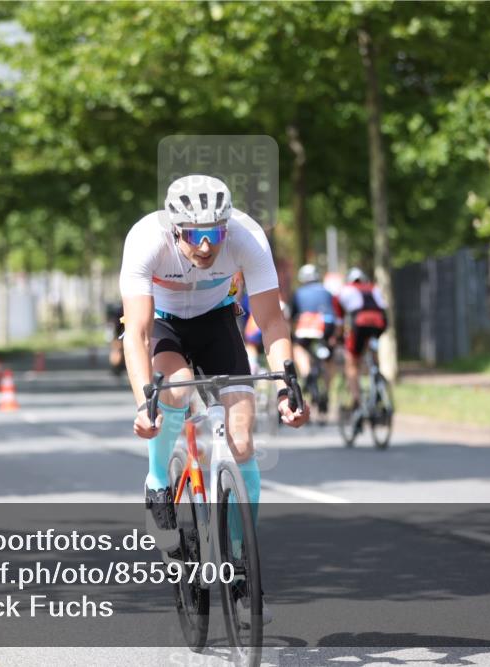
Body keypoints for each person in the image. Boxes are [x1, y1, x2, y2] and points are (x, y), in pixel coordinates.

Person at [120, 174, 309, 621]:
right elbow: (138, 332)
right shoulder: (146, 238)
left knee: (242, 439)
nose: (206, 246)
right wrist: (143, 403)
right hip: (163, 325)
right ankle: (158, 485)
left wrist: (288, 385)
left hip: (218, 321)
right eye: (195, 235)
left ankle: (241, 562)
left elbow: (271, 322)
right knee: (178, 393)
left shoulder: (247, 236)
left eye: (215, 234)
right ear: (174, 229)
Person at [289, 263, 341, 414]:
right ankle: (326, 390)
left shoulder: (298, 293)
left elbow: (292, 316)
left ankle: (307, 374)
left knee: (299, 348)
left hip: (307, 326)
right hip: (327, 325)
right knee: (329, 360)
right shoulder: (327, 292)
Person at [337, 267, 388, 410]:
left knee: (352, 362)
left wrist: (339, 337)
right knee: (371, 348)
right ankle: (376, 375)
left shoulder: (344, 290)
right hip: (380, 322)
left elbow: (340, 320)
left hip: (360, 322)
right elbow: (383, 307)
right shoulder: (374, 287)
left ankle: (357, 400)